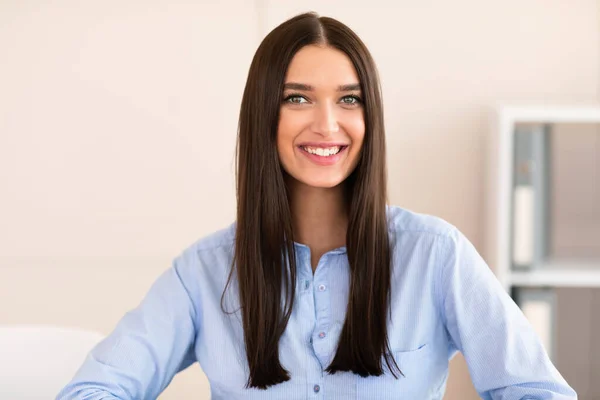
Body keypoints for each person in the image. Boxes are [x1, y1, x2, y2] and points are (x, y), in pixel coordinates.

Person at [56, 11, 576, 400]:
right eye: (297, 98)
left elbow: (540, 392)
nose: (327, 124)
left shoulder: (435, 255)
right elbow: (91, 391)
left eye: (349, 99)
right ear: (265, 116)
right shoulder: (205, 271)